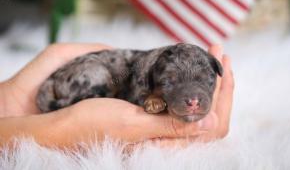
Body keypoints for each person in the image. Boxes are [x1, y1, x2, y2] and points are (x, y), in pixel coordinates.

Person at [0, 43, 234, 149]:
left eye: (205, 80)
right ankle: (60, 106)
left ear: (215, 73)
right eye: (171, 81)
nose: (193, 99)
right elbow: (139, 98)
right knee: (98, 76)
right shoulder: (144, 71)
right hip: (75, 81)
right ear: (152, 76)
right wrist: (62, 126)